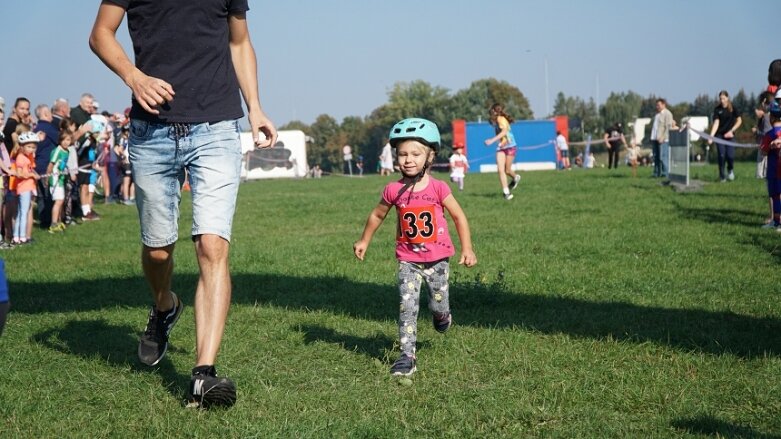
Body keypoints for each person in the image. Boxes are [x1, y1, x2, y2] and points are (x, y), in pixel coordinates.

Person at [90, 0, 277, 409]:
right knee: (158, 250)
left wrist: (256, 107)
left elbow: (240, 42)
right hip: (151, 132)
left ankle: (203, 374)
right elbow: (101, 34)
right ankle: (164, 306)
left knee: (212, 246)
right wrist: (133, 77)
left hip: (217, 129)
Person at [353, 118, 476, 377]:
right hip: (407, 259)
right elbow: (377, 216)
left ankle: (443, 316)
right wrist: (365, 240)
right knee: (407, 306)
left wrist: (467, 248)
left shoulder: (438, 188)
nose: (408, 160)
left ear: (430, 156)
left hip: (438, 259)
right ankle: (407, 355)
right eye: (403, 154)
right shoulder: (393, 189)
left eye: (416, 154)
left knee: (438, 304)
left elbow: (459, 217)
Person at [484, 103, 521, 200]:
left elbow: (504, 132)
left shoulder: (501, 119)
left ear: (495, 111)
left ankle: (515, 177)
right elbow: (501, 135)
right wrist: (499, 143)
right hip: (501, 147)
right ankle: (506, 193)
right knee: (500, 170)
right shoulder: (496, 121)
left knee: (507, 170)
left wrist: (491, 140)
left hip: (510, 146)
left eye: (491, 111)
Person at [708, 90, 743, 182]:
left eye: (723, 98)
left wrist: (732, 131)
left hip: (730, 135)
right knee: (722, 155)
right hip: (719, 135)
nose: (722, 100)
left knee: (730, 155)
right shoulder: (717, 110)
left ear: (727, 98)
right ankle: (722, 176)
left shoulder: (733, 108)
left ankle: (730, 169)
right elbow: (716, 123)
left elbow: (739, 121)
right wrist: (711, 136)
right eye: (720, 99)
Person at [12, 132, 40, 245]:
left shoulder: (29, 157)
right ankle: (22, 237)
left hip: (29, 186)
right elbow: (19, 174)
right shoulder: (20, 157)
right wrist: (31, 175)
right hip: (23, 187)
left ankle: (16, 237)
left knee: (22, 212)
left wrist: (35, 174)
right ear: (22, 146)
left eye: (33, 147)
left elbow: (30, 169)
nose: (31, 149)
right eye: (29, 147)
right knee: (23, 212)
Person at [759, 100, 781, 229]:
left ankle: (777, 221)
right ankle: (777, 222)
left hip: (773, 171)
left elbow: (763, 152)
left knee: (775, 196)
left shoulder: (769, 134)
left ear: (771, 118)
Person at [47, 131, 72, 232]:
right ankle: (53, 224)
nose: (66, 142)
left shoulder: (67, 151)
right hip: (55, 179)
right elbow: (51, 165)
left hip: (61, 179)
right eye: (64, 140)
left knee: (61, 201)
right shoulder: (58, 150)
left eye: (68, 140)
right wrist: (48, 177)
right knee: (58, 201)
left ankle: (58, 221)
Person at [650, 98, 677, 178]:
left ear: (663, 105)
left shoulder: (668, 114)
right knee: (656, 157)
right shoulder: (657, 115)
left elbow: (668, 127)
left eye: (658, 105)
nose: (657, 106)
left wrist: (662, 137)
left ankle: (665, 173)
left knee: (663, 157)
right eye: (656, 105)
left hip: (663, 140)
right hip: (655, 139)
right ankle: (656, 173)